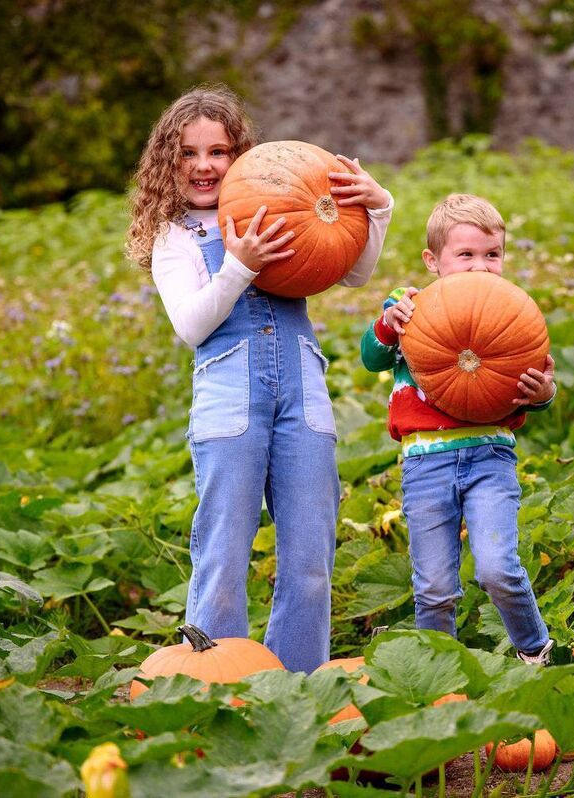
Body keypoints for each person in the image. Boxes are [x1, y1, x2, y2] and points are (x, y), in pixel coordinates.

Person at [127, 85, 393, 672]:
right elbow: (193, 326)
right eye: (188, 154)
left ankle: (295, 689)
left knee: (310, 558)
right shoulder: (178, 237)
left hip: (303, 395)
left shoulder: (275, 210)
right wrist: (241, 265)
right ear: (166, 164)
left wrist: (378, 210)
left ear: (240, 155)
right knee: (223, 551)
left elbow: (352, 273)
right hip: (230, 404)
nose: (204, 166)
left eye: (219, 152)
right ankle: (217, 686)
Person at [359, 193, 555, 665]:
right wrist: (388, 324)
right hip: (426, 464)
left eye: (492, 255)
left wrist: (543, 393)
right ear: (434, 261)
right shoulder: (410, 308)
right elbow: (372, 357)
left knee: (497, 569)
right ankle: (438, 674)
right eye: (465, 255)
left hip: (490, 459)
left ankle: (537, 653)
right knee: (434, 588)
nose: (480, 267)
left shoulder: (510, 312)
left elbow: (539, 384)